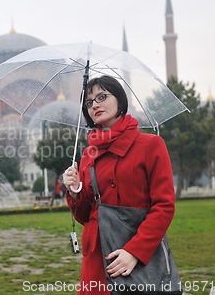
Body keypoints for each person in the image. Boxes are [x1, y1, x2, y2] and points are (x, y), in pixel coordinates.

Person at [63, 76, 176, 294]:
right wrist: (75, 191)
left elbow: (164, 206)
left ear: (120, 101)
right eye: (88, 102)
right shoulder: (89, 154)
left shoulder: (150, 145)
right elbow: (85, 216)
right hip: (97, 258)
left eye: (102, 97)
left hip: (137, 254)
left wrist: (134, 252)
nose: (94, 104)